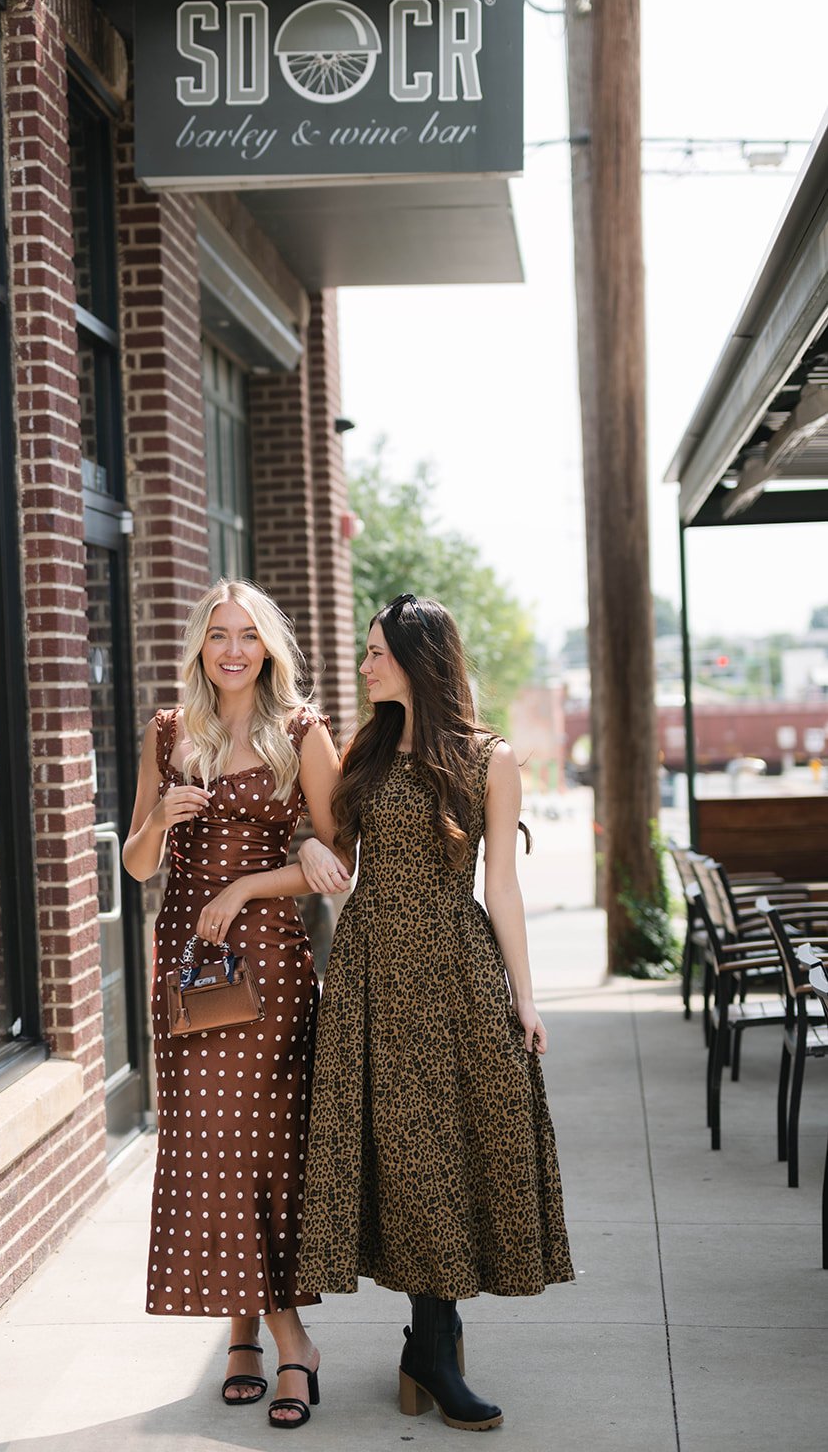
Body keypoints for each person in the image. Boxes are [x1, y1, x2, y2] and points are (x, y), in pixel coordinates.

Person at [295, 593, 573, 1432]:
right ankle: (434, 1344)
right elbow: (328, 850)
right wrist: (306, 844)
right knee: (404, 1154)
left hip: (456, 972)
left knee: (452, 1150)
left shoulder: (489, 760)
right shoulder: (367, 753)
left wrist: (524, 999)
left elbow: (503, 885)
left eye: (376, 651)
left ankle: (430, 1344)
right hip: (373, 972)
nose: (365, 664)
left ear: (419, 659)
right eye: (365, 651)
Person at [123, 578, 347, 1429]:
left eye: (245, 635)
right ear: (199, 647)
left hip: (269, 966)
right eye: (216, 634)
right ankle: (255, 1338)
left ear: (267, 649)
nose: (230, 649)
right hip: (188, 966)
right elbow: (139, 866)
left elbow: (334, 861)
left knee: (263, 1149)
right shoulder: (170, 734)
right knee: (210, 1149)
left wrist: (251, 882)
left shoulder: (301, 732)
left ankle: (280, 1341)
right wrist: (163, 817)